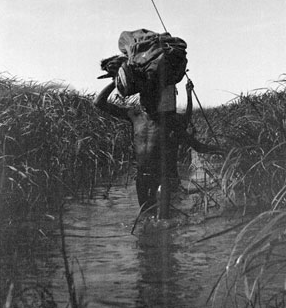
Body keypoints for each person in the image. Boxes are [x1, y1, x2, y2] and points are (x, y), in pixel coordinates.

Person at [94, 77, 221, 219]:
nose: (147, 101)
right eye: (145, 97)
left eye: (152, 98)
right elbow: (99, 102)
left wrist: (223, 150)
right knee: (145, 217)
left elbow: (198, 146)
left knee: (163, 220)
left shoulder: (169, 121)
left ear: (158, 100)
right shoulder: (135, 115)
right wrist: (117, 80)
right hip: (141, 178)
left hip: (162, 178)